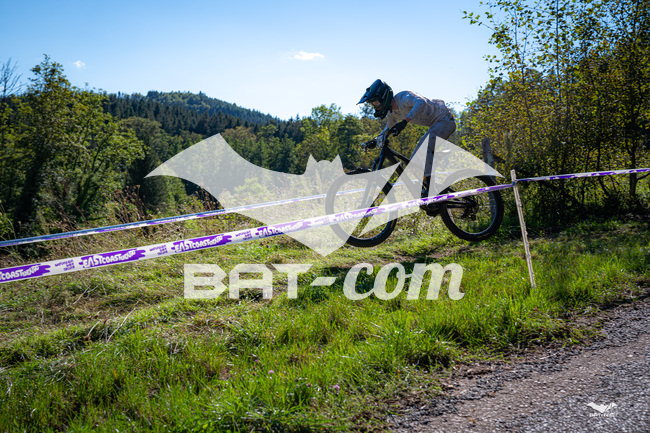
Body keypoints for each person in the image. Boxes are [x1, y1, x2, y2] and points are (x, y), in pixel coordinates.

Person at [358, 79, 457, 211]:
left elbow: (422, 102)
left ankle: (431, 190)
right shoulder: (392, 113)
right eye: (372, 104)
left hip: (444, 120)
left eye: (375, 102)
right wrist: (375, 140)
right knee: (413, 161)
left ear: (383, 97)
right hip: (435, 124)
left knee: (422, 149)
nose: (375, 106)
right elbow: (388, 128)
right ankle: (431, 190)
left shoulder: (403, 97)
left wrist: (405, 121)